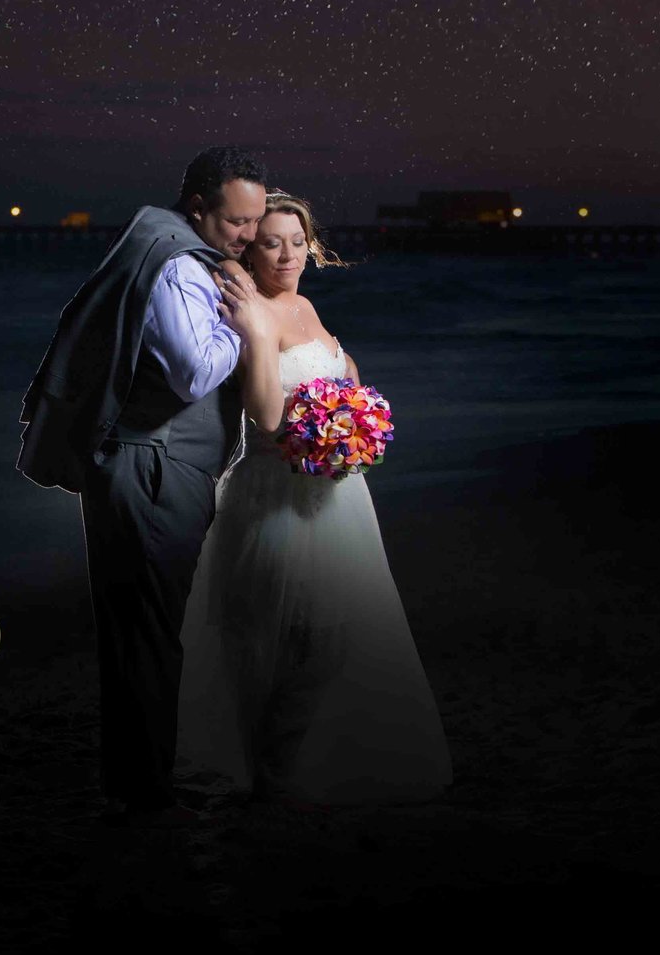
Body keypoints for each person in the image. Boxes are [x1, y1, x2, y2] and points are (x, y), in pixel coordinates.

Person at [15, 145, 269, 827]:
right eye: (238, 222)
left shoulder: (178, 250)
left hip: (150, 463)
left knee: (143, 629)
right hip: (152, 467)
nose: (249, 235)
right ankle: (145, 791)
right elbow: (192, 372)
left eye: (256, 221)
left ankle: (137, 781)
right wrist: (249, 326)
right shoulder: (179, 267)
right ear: (198, 209)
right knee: (150, 629)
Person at [174, 189, 452, 806]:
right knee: (281, 637)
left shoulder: (303, 304)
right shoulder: (254, 310)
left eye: (297, 242)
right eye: (271, 242)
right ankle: (271, 775)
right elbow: (269, 417)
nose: (287, 254)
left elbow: (336, 372)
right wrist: (251, 328)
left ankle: (295, 767)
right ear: (251, 247)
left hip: (336, 496)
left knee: (338, 633)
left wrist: (354, 408)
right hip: (274, 495)